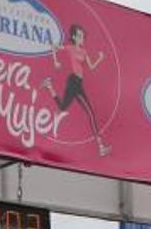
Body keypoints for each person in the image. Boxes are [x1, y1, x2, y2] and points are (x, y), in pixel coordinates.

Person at [41, 23, 110, 156]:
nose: (81, 38)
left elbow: (91, 67)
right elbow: (54, 47)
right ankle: (100, 146)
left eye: (82, 36)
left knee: (65, 108)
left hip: (79, 83)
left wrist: (100, 59)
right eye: (79, 36)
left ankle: (49, 86)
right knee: (86, 112)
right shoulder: (70, 48)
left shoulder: (84, 52)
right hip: (73, 81)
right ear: (74, 37)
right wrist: (55, 61)